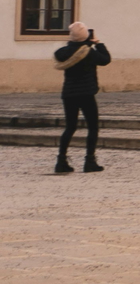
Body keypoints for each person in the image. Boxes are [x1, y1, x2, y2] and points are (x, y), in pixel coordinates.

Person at [52, 21, 110, 174]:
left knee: (70, 127)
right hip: (86, 94)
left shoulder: (64, 52)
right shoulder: (89, 53)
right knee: (92, 127)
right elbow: (106, 59)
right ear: (86, 36)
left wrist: (73, 43)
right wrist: (97, 43)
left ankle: (61, 161)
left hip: (69, 94)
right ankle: (89, 161)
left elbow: (62, 52)